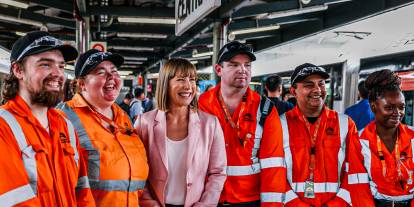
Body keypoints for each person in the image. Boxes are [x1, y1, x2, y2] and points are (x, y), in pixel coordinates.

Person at [0, 31, 95, 206]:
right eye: (45, 64)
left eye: (61, 66)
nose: (58, 74)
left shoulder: (66, 126)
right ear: (18, 70)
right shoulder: (4, 127)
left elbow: (82, 192)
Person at [56, 49, 149, 207]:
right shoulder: (62, 118)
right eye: (101, 72)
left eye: (114, 71)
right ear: (82, 84)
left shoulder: (123, 118)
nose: (112, 76)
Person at [198, 41, 285, 206]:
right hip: (208, 198)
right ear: (218, 69)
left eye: (247, 65)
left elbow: (273, 165)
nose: (242, 70)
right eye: (234, 65)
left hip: (248, 200)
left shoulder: (265, 109)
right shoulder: (202, 104)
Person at [136, 58, 227, 207]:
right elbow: (137, 171)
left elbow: (218, 172)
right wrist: (149, 203)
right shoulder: (144, 122)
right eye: (180, 79)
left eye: (192, 79)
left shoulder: (210, 124)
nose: (188, 86)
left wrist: (205, 204)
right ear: (166, 84)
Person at [280, 63, 357, 207]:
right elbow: (274, 173)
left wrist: (335, 205)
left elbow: (355, 171)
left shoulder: (345, 124)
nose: (317, 90)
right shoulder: (279, 125)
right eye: (309, 85)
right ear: (293, 91)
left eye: (321, 84)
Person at [347, 69, 414, 207]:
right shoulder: (358, 141)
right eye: (389, 108)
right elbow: (358, 187)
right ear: (373, 106)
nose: (397, 113)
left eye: (401, 107)